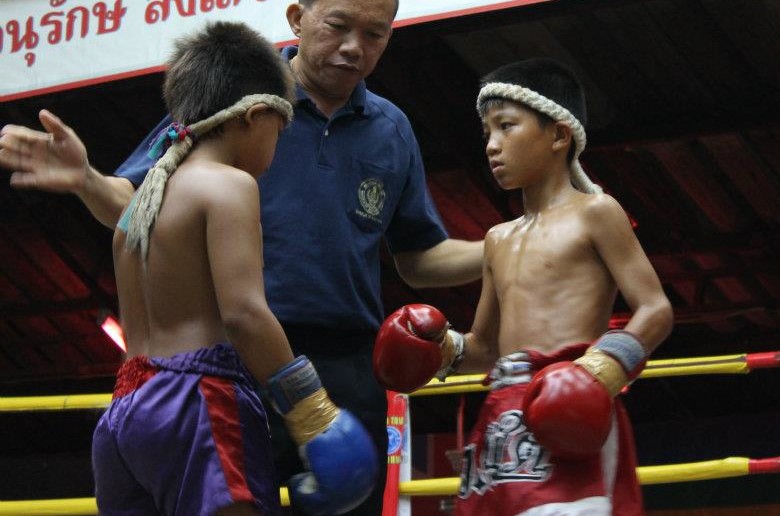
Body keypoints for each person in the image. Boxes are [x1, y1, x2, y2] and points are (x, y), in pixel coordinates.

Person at [0, 1, 484, 514]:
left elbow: (143, 215)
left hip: (164, 385)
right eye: (338, 26)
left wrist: (500, 247)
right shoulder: (236, 100)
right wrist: (88, 181)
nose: (353, 47)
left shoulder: (391, 129)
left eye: (374, 34)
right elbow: (227, 294)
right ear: (297, 18)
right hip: (237, 359)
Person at [33, 21, 376, 515]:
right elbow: (244, 314)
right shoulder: (229, 185)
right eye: (280, 132)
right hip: (198, 401)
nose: (275, 152)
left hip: (126, 411)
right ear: (256, 116)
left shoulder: (141, 203)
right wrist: (312, 411)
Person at [372, 58, 674, 515]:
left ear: (558, 134)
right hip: (502, 417)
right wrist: (437, 347)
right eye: (487, 133)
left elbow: (655, 309)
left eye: (507, 127)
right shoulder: (498, 239)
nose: (492, 146)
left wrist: (601, 373)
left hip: (572, 404)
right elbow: (486, 347)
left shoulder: (596, 212)